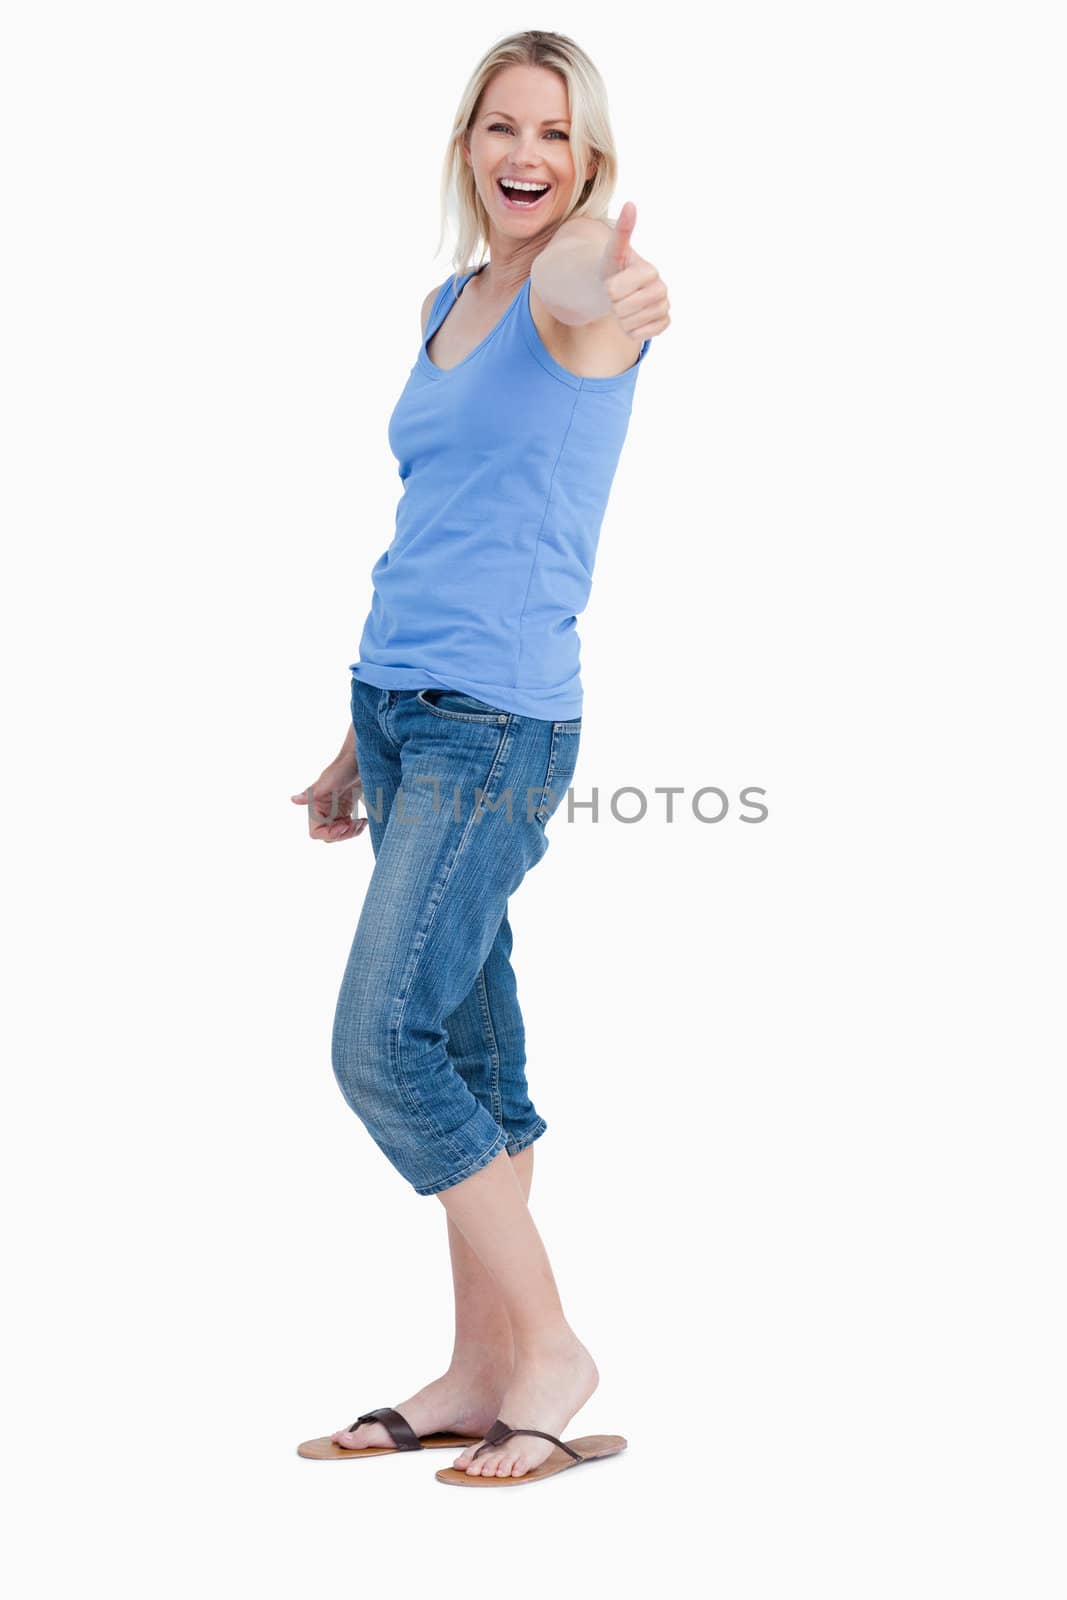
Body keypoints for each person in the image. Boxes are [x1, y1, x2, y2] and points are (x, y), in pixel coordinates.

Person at [292, 30, 669, 1486]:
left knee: (379, 1042)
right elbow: (430, 532)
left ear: (588, 165)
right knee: (458, 1044)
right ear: (467, 144)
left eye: (556, 135)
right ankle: (477, 1372)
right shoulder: (447, 302)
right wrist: (350, 739)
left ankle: (550, 1344)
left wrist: (620, 280)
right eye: (502, 126)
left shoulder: (580, 301)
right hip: (399, 709)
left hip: (498, 722)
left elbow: (596, 292)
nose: (525, 152)